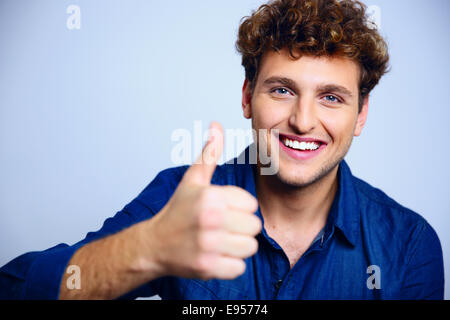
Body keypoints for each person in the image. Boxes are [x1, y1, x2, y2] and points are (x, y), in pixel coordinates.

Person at [0, 0, 444, 300]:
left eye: (331, 97)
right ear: (248, 96)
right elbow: (15, 287)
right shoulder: (179, 198)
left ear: (361, 114)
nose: (304, 121)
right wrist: (148, 248)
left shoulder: (407, 245)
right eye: (282, 90)